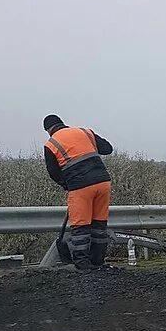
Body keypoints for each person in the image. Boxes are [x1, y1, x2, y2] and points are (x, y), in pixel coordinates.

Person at [43, 115, 114, 270]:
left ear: (48, 130)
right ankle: (98, 262)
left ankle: (83, 265)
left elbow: (53, 172)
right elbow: (107, 149)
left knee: (80, 227)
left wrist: (66, 184)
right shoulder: (85, 132)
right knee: (99, 224)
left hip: (80, 187)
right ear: (62, 123)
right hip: (103, 182)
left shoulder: (51, 143)